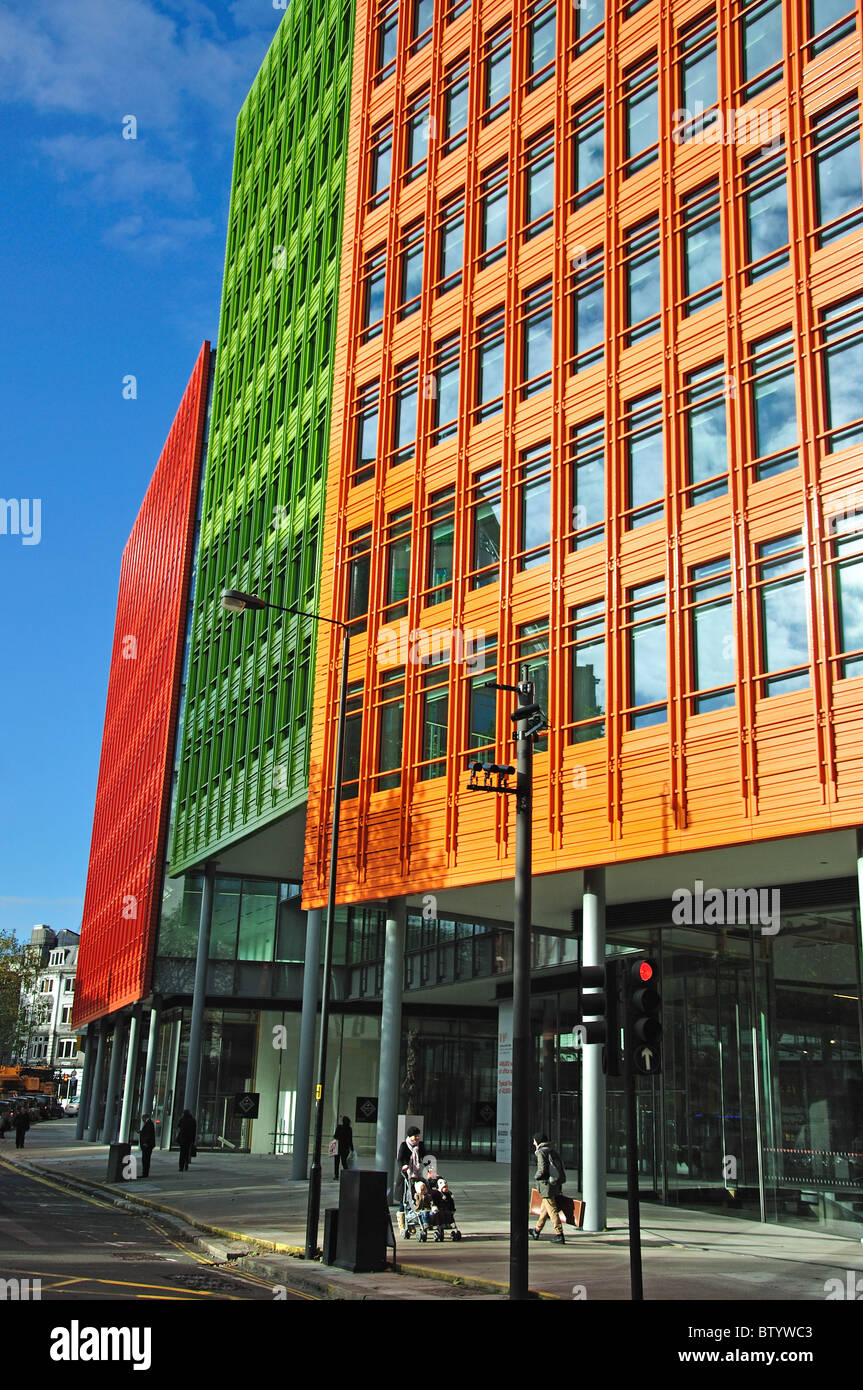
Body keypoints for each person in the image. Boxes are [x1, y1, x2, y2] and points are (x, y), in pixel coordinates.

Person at [530, 1132, 566, 1244]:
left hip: (546, 1186)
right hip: (554, 1184)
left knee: (552, 1210)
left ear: (538, 1141)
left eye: (534, 1141)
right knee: (544, 1210)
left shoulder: (541, 1152)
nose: (533, 1143)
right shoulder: (552, 1151)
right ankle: (537, 1230)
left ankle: (559, 1234)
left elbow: (542, 1169)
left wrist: (536, 1177)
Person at [395, 1126, 427, 1233]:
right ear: (410, 1136)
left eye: (418, 1136)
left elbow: (424, 1157)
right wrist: (404, 1166)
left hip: (417, 1175)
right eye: (415, 1136)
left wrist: (428, 1165)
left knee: (415, 1199)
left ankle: (412, 1222)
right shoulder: (404, 1145)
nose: (417, 1138)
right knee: (404, 1200)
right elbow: (400, 1159)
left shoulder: (420, 1146)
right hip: (406, 1175)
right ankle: (402, 1224)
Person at [333, 1115, 353, 1180]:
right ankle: (346, 1175)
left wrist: (338, 1136)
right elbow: (350, 1139)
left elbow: (335, 1136)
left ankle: (336, 1175)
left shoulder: (339, 1127)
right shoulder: (349, 1129)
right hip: (345, 1148)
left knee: (336, 1162)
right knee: (344, 1162)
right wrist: (352, 1148)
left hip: (338, 1147)